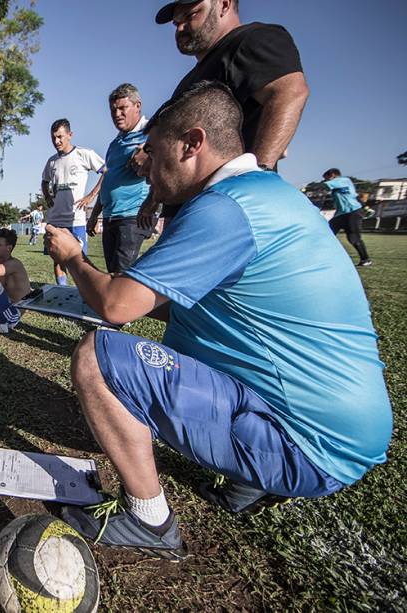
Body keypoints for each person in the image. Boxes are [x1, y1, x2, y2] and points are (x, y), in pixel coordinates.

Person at [44, 82, 391, 559]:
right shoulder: (266, 193)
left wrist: (76, 259)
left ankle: (150, 520)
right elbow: (195, 304)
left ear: (192, 143)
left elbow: (116, 307)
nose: (143, 162)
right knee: (187, 334)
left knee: (96, 356)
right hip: (343, 429)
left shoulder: (223, 208)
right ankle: (251, 479)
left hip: (312, 444)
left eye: (153, 147)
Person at [139, 0, 310, 227]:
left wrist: (256, 181)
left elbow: (289, 93)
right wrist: (155, 196)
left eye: (190, 15)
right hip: (188, 208)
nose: (180, 28)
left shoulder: (249, 40)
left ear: (224, 4)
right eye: (176, 23)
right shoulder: (190, 80)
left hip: (226, 207)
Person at [86, 84, 152, 273]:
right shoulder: (115, 143)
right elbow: (108, 181)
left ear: (137, 106)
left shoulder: (151, 133)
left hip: (132, 217)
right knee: (113, 273)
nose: (117, 114)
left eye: (123, 108)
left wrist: (149, 152)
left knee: (121, 277)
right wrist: (94, 216)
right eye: (113, 109)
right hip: (109, 217)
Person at [41, 119, 105, 285]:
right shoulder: (52, 161)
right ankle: (62, 290)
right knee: (58, 259)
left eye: (60, 137)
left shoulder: (84, 154)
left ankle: (81, 293)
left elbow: (106, 172)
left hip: (75, 219)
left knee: (78, 260)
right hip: (55, 220)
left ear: (70, 135)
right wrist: (47, 196)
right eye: (53, 137)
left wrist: (91, 195)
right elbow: (44, 181)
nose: (56, 141)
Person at [322, 168, 372, 267]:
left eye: (326, 178)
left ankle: (365, 259)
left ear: (333, 175)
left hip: (352, 212)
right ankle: (324, 257)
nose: (326, 180)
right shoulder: (338, 185)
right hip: (340, 214)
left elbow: (326, 185)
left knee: (353, 238)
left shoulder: (344, 180)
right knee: (326, 233)